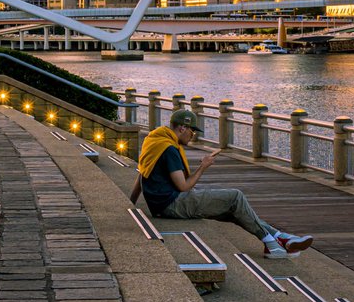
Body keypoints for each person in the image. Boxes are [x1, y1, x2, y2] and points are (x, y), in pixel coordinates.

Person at [129, 108, 313, 259]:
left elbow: (141, 174)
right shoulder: (169, 149)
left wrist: (129, 204)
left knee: (235, 209)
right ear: (182, 128)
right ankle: (271, 243)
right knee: (235, 196)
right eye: (192, 130)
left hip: (161, 204)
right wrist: (203, 167)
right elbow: (183, 187)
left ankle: (281, 238)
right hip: (172, 204)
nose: (193, 135)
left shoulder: (154, 140)